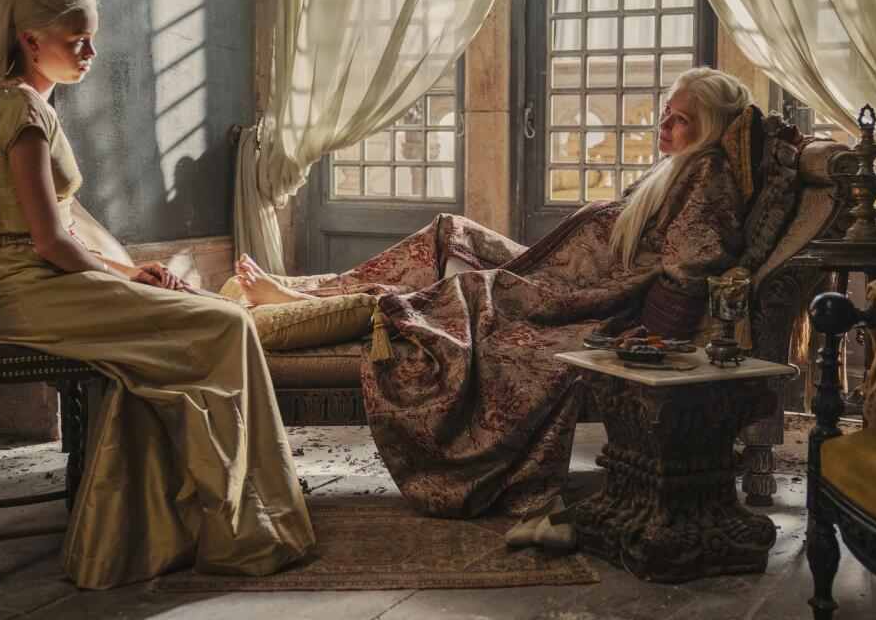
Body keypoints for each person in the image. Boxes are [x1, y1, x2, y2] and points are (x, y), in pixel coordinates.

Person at [233, 67, 752, 520]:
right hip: (551, 269)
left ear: (708, 128)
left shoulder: (707, 174)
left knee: (455, 296)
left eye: (680, 120)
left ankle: (308, 304)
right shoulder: (679, 168)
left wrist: (646, 321)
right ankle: (316, 294)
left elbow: (692, 260)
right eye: (666, 112)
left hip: (566, 293)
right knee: (449, 231)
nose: (664, 125)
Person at [0, 0, 313, 589]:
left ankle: (204, 515)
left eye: (91, 38)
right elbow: (48, 241)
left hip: (44, 282)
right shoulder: (20, 111)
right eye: (76, 40)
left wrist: (130, 271)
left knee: (185, 345)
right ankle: (241, 524)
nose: (90, 52)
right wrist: (130, 279)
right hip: (30, 293)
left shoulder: (19, 100)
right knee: (226, 325)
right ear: (30, 41)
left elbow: (58, 236)